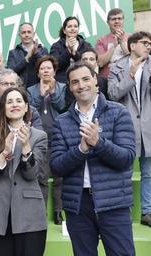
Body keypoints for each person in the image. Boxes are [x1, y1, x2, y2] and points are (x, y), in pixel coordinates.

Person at [50, 62, 136, 255]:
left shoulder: (118, 112)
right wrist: (81, 150)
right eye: (75, 82)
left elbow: (127, 158)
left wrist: (99, 142)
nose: (81, 85)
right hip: (78, 205)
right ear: (70, 87)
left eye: (85, 79)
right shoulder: (61, 122)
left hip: (114, 202)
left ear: (95, 79)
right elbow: (56, 166)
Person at [0, 87, 47, 256]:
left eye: (19, 101)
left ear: (26, 107)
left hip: (30, 213)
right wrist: (3, 153)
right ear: (3, 108)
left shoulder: (39, 136)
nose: (14, 105)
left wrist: (26, 147)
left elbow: (32, 174)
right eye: (9, 102)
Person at [0, 69, 43, 193]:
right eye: (5, 84)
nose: (9, 87)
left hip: (25, 182)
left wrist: (25, 138)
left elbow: (39, 146)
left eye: (13, 84)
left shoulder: (31, 112)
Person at [108, 31, 151, 227]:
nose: (148, 46)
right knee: (123, 171)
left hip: (148, 126)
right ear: (132, 46)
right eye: (144, 43)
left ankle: (147, 212)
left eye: (150, 44)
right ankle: (122, 210)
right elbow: (113, 94)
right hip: (126, 127)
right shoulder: (116, 67)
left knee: (149, 172)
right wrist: (131, 74)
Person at [27, 55, 66, 224]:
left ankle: (59, 211)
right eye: (42, 69)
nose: (46, 71)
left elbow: (62, 106)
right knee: (41, 177)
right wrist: (41, 95)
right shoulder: (31, 90)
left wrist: (52, 92)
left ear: (54, 71)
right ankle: (40, 212)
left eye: (49, 68)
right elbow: (29, 111)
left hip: (58, 136)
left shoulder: (63, 87)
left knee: (60, 176)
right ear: (38, 73)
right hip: (39, 138)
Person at [50, 16, 92, 83]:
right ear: (64, 30)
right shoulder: (56, 46)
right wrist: (68, 50)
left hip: (82, 81)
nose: (73, 29)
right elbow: (54, 65)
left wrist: (74, 53)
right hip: (63, 83)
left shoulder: (86, 45)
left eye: (75, 26)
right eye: (69, 26)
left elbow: (88, 64)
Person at [7, 22, 48, 88]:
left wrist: (36, 53)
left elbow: (47, 67)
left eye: (29, 32)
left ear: (33, 34)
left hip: (41, 88)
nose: (26, 35)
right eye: (23, 32)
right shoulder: (13, 53)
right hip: (22, 90)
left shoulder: (43, 50)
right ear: (19, 35)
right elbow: (10, 73)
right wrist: (26, 58)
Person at [95, 8, 130, 78]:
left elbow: (135, 60)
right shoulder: (101, 40)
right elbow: (100, 63)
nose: (117, 21)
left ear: (123, 20)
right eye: (113, 19)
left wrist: (122, 42)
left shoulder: (132, 37)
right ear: (108, 22)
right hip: (108, 80)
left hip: (128, 78)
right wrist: (114, 45)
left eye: (119, 18)